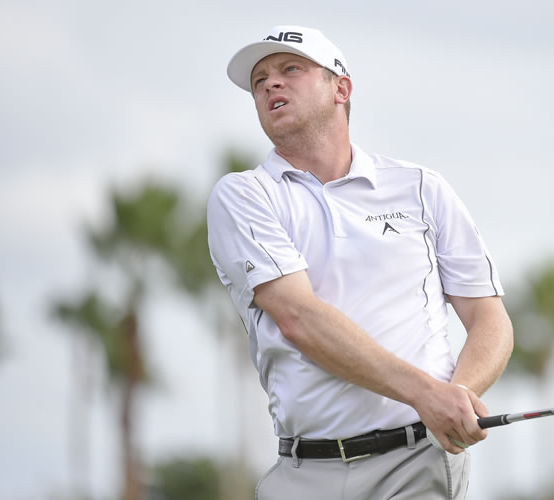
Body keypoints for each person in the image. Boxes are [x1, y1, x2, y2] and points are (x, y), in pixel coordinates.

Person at [207, 24, 514, 500]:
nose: (270, 83)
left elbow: (488, 317)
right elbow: (297, 318)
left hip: (417, 463)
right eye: (259, 80)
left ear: (341, 88)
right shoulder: (244, 195)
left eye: (291, 69)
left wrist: (456, 398)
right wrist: (428, 396)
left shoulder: (420, 188)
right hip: (304, 472)